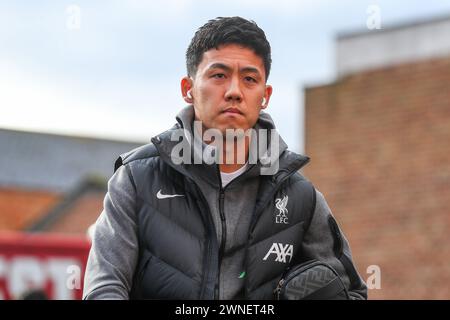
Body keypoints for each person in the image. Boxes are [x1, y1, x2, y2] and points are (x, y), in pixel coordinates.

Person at [83, 16, 367, 300]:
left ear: (265, 95)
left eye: (249, 79)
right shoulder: (136, 180)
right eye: (219, 75)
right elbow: (104, 289)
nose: (234, 91)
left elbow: (352, 293)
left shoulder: (301, 198)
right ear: (188, 89)